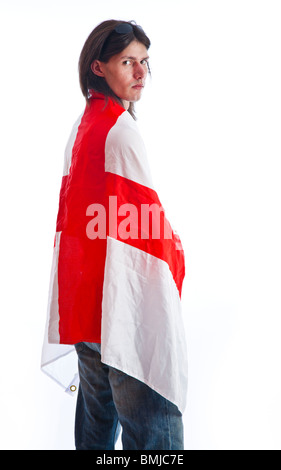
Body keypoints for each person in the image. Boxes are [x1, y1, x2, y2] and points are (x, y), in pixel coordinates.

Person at [41, 19, 188, 450]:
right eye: (128, 62)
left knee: (97, 424)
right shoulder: (121, 132)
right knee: (153, 428)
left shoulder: (82, 127)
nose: (141, 73)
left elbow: (81, 222)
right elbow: (144, 228)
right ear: (98, 67)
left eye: (145, 62)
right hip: (117, 309)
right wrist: (177, 256)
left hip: (85, 304)